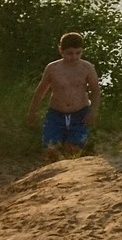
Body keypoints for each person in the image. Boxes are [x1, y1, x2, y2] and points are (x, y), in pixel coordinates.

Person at [26, 32, 102, 162]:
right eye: (70, 53)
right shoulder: (53, 68)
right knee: (50, 150)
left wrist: (93, 112)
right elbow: (41, 90)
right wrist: (32, 111)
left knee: (72, 149)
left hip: (80, 113)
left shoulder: (86, 67)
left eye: (78, 53)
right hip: (56, 114)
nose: (74, 57)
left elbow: (95, 90)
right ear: (61, 51)